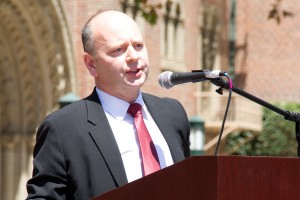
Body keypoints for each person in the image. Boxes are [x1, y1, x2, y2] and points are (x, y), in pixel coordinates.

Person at [26, 10, 190, 200]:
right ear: (91, 64)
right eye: (118, 50)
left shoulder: (172, 114)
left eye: (138, 46)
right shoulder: (62, 129)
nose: (133, 56)